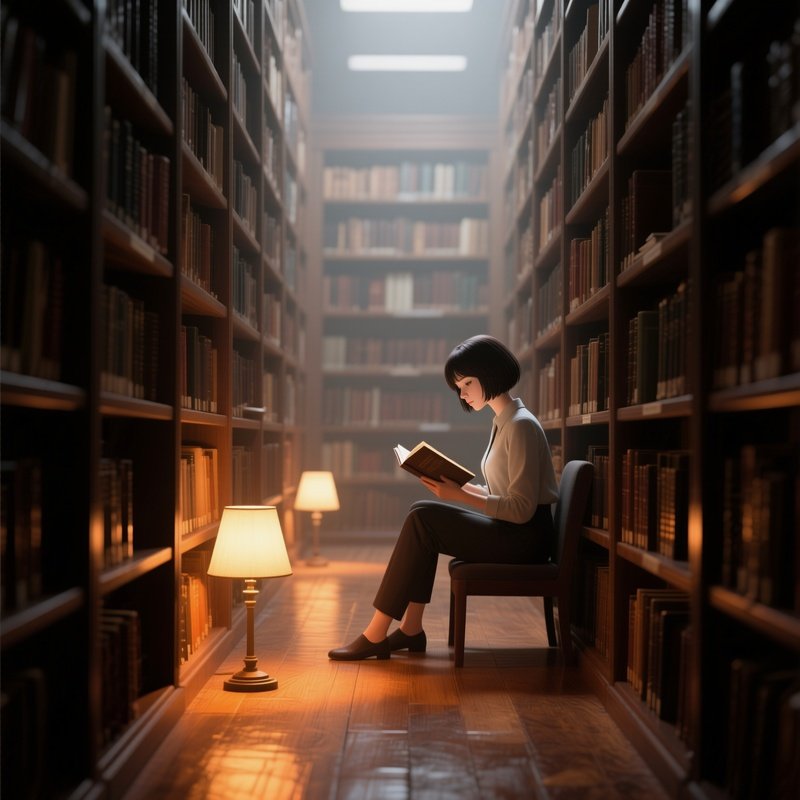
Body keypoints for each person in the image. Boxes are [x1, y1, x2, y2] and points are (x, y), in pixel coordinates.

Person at [328, 334, 559, 661]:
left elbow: (521, 509)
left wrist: (460, 496)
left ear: (490, 374)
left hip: (525, 539)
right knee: (421, 511)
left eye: (466, 383)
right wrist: (461, 488)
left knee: (424, 520)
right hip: (514, 531)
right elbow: (505, 494)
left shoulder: (520, 426)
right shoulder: (504, 422)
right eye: (458, 387)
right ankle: (410, 630)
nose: (462, 394)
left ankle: (377, 633)